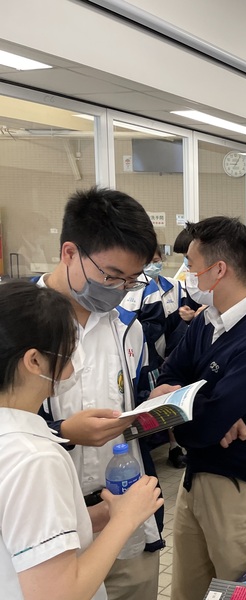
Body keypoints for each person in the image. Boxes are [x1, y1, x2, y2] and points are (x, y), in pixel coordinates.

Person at [36, 186, 163, 600]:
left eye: (131, 280)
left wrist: (156, 407)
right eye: (110, 276)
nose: (119, 288)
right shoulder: (16, 324)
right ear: (70, 253)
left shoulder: (128, 326)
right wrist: (62, 432)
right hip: (50, 526)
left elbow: (130, 406)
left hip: (126, 513)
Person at [156, 217, 246, 600]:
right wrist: (210, 407)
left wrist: (194, 409)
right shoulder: (206, 321)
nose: (188, 273)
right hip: (196, 480)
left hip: (242, 490)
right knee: (188, 590)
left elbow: (201, 426)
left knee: (239, 590)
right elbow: (168, 376)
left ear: (218, 270)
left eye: (191, 264)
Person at [0, 280, 163, 600]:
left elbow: (21, 529)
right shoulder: (35, 459)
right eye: (68, 353)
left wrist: (102, 515)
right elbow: (59, 593)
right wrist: (125, 520)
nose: (76, 366)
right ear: (34, 361)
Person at [118, 246, 188, 469]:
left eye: (156, 260)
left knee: (162, 401)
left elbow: (161, 325)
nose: (153, 266)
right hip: (139, 357)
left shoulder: (166, 286)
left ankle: (174, 446)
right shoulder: (127, 288)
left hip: (160, 354)